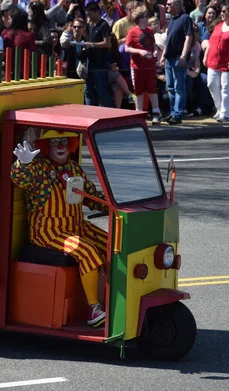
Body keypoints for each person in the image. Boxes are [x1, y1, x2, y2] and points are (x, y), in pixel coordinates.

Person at [10, 131, 108, 327]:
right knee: (87, 251)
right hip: (48, 231)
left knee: (114, 244)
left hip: (76, 226)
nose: (61, 146)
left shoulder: (74, 168)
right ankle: (92, 308)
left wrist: (115, 206)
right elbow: (20, 179)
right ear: (47, 147)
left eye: (64, 141)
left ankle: (114, 298)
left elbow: (91, 196)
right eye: (55, 143)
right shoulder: (39, 169)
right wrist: (24, 164)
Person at [126, 6, 160, 123]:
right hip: (137, 66)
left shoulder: (150, 31)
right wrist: (140, 51)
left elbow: (153, 44)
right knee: (138, 91)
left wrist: (155, 50)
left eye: (146, 16)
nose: (146, 18)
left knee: (152, 89)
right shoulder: (132, 31)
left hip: (150, 65)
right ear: (139, 18)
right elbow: (127, 48)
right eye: (144, 16)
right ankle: (139, 114)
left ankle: (156, 112)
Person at [161, 0, 193, 124]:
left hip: (178, 57)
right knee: (170, 87)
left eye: (170, 4)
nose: (167, 6)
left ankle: (178, 114)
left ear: (177, 5)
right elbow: (169, 40)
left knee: (179, 87)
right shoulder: (172, 20)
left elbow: (188, 37)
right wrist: (163, 55)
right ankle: (173, 112)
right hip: (169, 58)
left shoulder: (185, 18)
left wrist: (183, 56)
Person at [83, 1, 114, 107]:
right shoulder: (91, 25)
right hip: (90, 63)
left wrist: (92, 45)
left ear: (97, 12)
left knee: (101, 91)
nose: (89, 17)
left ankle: (112, 113)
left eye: (90, 14)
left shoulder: (104, 25)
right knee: (88, 90)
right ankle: (90, 113)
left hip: (100, 65)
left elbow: (107, 43)